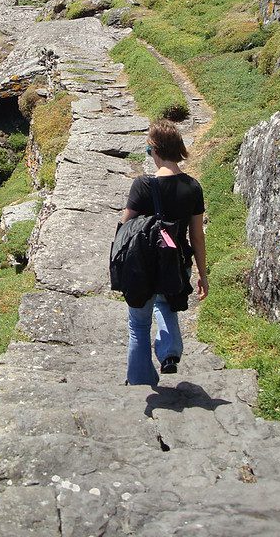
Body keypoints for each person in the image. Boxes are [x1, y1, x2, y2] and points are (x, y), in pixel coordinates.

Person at [119, 118, 208, 386]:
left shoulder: (142, 185)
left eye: (149, 149)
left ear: (155, 150)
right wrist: (203, 274)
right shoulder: (192, 187)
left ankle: (140, 381)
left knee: (138, 324)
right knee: (167, 303)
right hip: (176, 261)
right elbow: (197, 235)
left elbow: (124, 228)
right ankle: (169, 351)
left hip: (143, 265)